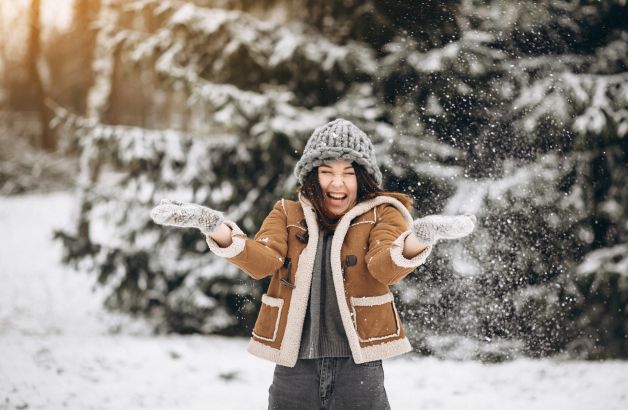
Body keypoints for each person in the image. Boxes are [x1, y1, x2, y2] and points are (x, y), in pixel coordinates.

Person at [150, 118, 476, 409]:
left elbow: (384, 266)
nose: (338, 183)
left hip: (358, 366)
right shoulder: (287, 213)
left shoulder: (384, 213)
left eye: (348, 173)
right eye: (327, 172)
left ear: (363, 178)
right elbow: (262, 260)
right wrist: (213, 226)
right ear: (310, 175)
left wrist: (421, 237)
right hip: (295, 365)